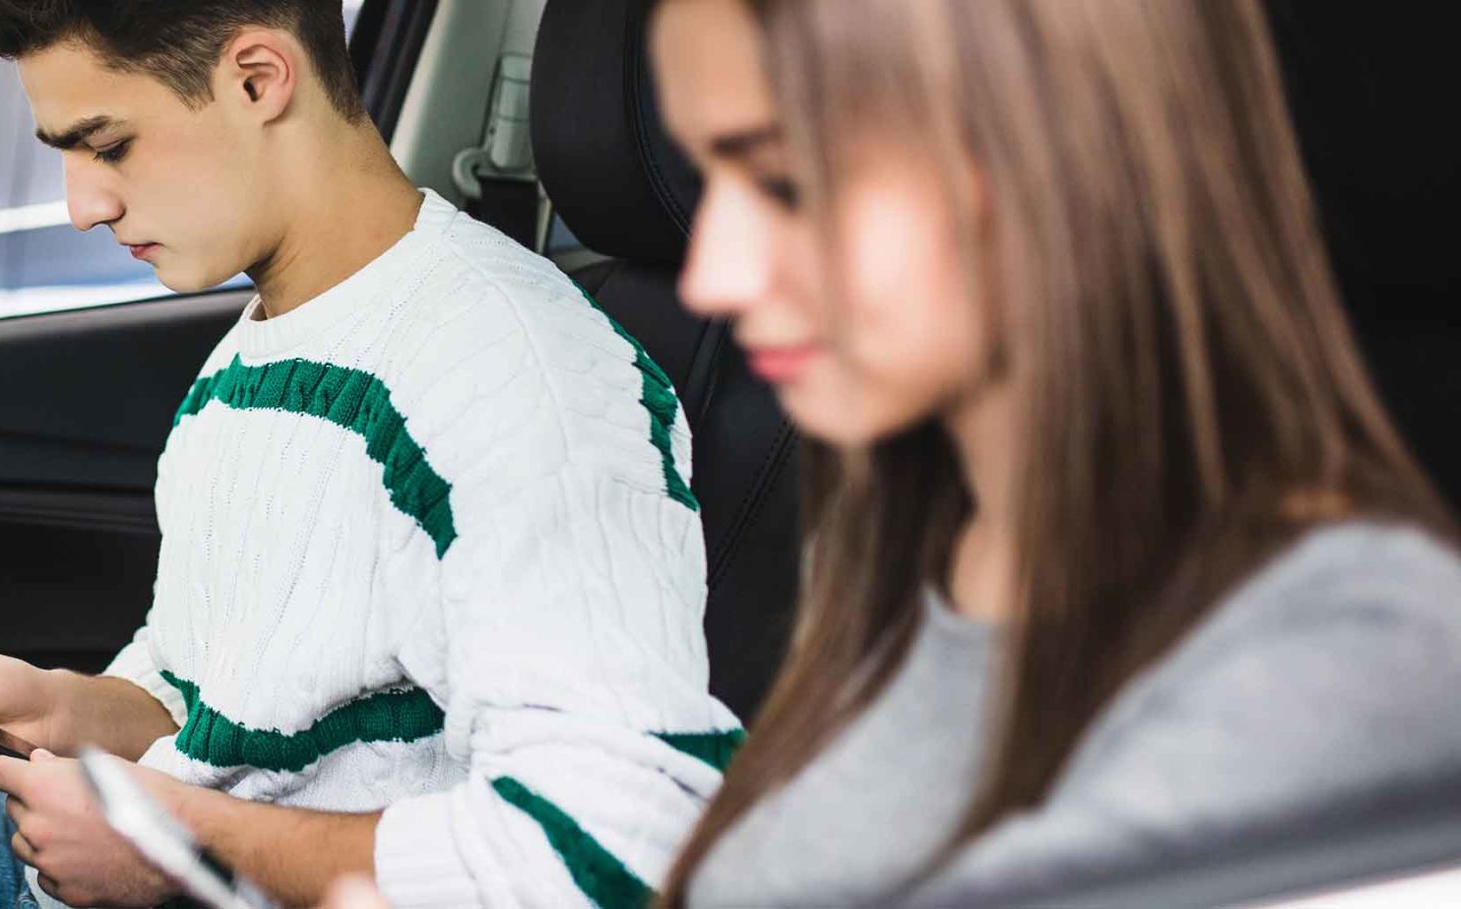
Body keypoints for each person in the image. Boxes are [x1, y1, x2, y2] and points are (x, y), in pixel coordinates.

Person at [0, 1, 740, 906]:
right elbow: (214, 703)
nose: (80, 204)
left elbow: (613, 852)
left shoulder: (523, 384)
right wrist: (64, 712)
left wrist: (173, 846)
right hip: (134, 864)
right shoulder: (273, 339)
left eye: (107, 143)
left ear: (255, 76)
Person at [620, 0, 1461, 904]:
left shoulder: (1339, 652)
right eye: (706, 179)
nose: (713, 274)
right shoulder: (907, 535)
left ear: (1060, 156)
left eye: (787, 183)